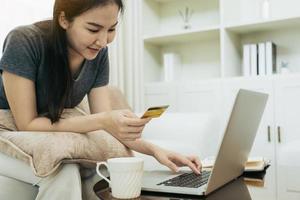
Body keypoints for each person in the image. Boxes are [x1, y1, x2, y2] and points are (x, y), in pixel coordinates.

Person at [0, 0, 202, 199]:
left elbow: (107, 122)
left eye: (111, 29)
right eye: (93, 29)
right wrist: (104, 120)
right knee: (63, 172)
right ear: (63, 19)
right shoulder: (24, 41)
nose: (103, 41)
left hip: (44, 128)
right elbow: (27, 123)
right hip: (8, 127)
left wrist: (157, 151)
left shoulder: (98, 55)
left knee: (97, 173)